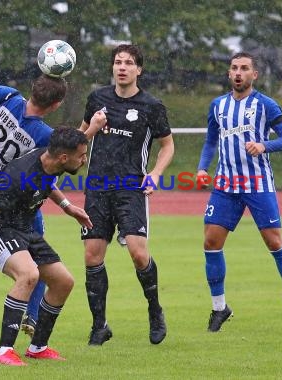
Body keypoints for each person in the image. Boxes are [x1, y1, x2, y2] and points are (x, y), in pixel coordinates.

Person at [0, 22, 104, 347]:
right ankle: (32, 316)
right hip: (12, 191)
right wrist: (93, 126)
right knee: (34, 243)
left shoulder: (8, 98)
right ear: (55, 105)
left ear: (32, 89)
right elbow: (70, 147)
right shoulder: (42, 135)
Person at [0, 127, 94, 365]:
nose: (84, 159)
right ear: (64, 158)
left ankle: (38, 347)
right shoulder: (18, 174)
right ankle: (4, 351)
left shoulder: (50, 163)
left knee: (63, 281)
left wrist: (69, 207)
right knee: (28, 274)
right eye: (82, 155)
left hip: (23, 226)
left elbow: (47, 182)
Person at [196, 52, 282, 332]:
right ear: (229, 73)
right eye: (234, 68)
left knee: (274, 242)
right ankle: (219, 308)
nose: (238, 73)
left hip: (258, 184)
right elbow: (211, 141)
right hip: (225, 185)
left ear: (254, 75)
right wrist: (201, 168)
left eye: (244, 68)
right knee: (211, 241)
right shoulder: (218, 106)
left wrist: (264, 146)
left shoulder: (266, 105)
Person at [79, 44, 175, 345]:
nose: (122, 67)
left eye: (129, 63)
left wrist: (155, 174)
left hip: (130, 188)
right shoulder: (97, 99)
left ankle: (155, 309)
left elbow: (167, 146)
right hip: (97, 187)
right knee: (92, 257)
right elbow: (78, 139)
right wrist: (93, 128)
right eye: (118, 62)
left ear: (139, 70)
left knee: (137, 252)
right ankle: (99, 326)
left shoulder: (151, 106)